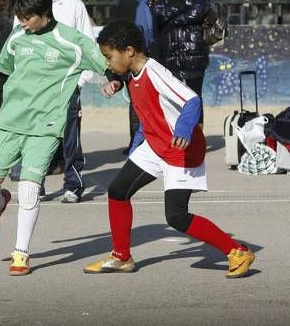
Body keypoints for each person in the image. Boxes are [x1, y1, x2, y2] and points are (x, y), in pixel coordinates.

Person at [84, 20, 255, 278]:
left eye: (109, 56)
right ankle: (121, 257)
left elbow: (192, 100)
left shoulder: (154, 72)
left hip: (180, 150)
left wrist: (184, 130)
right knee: (118, 191)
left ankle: (237, 251)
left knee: (176, 216)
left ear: (129, 51)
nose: (107, 62)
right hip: (155, 144)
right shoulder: (131, 71)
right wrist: (116, 82)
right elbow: (126, 82)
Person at [0, 0, 108, 275]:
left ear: (44, 12)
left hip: (46, 127)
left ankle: (21, 253)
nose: (21, 22)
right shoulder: (18, 34)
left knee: (30, 191)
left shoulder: (72, 41)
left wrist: (115, 80)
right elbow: (3, 73)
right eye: (19, 16)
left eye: (27, 16)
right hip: (11, 122)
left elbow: (106, 64)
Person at [34, 0, 117, 203]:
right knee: (37, 138)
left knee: (70, 138)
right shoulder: (29, 3)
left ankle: (73, 184)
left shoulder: (74, 6)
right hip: (38, 86)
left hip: (68, 85)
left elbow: (89, 46)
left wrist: (81, 80)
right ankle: (35, 184)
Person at [153, 0, 208, 126]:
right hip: (170, 53)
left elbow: (197, 13)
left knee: (194, 97)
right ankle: (178, 135)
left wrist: (172, 20)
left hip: (193, 51)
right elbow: (158, 13)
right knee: (174, 98)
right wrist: (181, 6)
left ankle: (197, 138)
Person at [111, 0, 160, 154]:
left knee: (154, 101)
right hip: (133, 59)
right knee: (136, 101)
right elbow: (117, 30)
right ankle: (135, 141)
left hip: (154, 59)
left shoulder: (158, 4)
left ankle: (153, 140)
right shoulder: (127, 3)